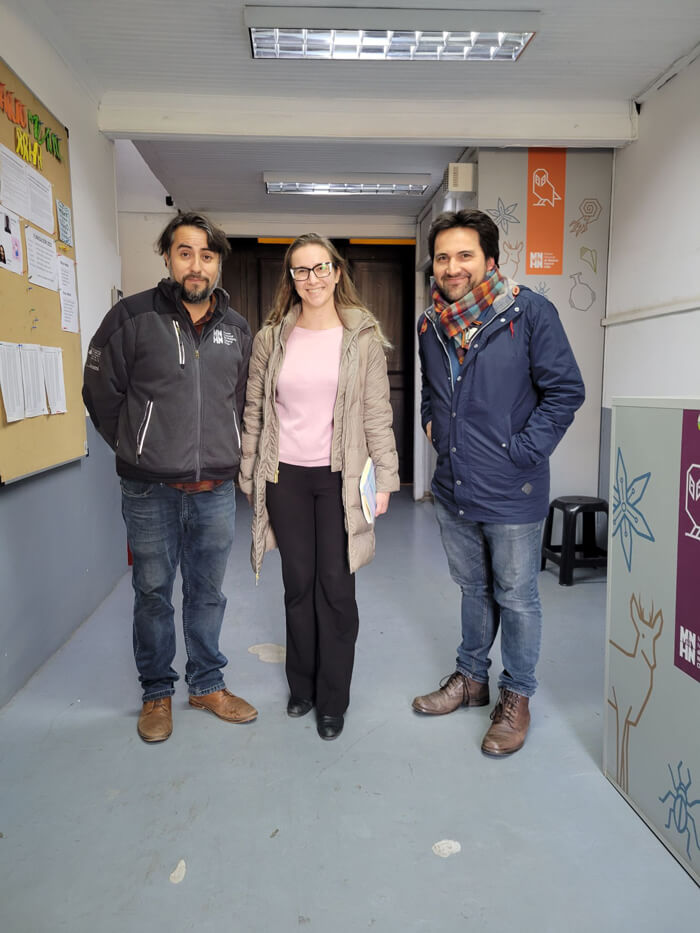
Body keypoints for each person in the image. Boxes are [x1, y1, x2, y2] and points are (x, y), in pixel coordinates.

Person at [412, 209, 585, 756]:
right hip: (454, 486)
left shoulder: (529, 313)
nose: (452, 267)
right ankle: (471, 679)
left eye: (464, 255)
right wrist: (433, 427)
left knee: (517, 595)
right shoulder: (430, 325)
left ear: (490, 259)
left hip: (514, 489)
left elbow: (565, 391)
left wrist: (523, 451)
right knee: (472, 588)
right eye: (443, 257)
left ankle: (516, 696)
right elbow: (430, 393)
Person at [82, 212, 257, 743]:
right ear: (168, 257)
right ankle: (157, 692)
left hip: (215, 492)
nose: (196, 265)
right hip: (148, 490)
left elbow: (245, 400)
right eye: (185, 253)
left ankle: (206, 684)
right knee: (153, 591)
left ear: (218, 263)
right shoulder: (130, 318)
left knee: (208, 592)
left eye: (207, 255)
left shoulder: (237, 329)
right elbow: (101, 395)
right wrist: (138, 448)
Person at [239, 233, 399, 741]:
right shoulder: (271, 339)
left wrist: (386, 479)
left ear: (336, 271)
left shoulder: (363, 337)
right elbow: (254, 413)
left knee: (336, 587)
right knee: (297, 586)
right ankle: (302, 687)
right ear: (291, 278)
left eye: (321, 268)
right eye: (301, 270)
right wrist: (249, 473)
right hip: (284, 475)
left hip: (340, 477)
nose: (312, 278)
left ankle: (333, 698)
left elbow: (377, 412)